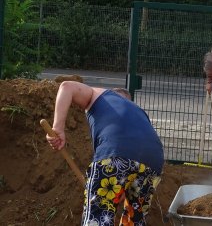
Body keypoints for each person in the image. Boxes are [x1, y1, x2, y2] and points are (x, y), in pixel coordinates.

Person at [46, 81, 164, 226]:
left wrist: (58, 128)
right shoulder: (137, 111)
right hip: (153, 161)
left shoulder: (98, 94)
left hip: (116, 154)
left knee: (98, 219)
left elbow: (66, 86)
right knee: (134, 220)